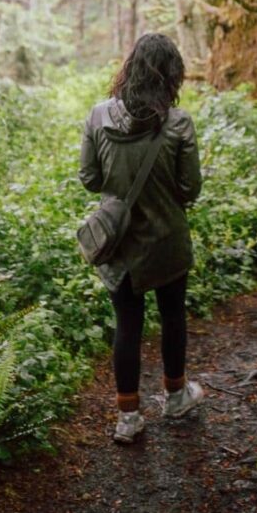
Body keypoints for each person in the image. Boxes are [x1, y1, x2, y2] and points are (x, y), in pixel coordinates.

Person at [78, 32, 205, 444]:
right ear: (173, 75)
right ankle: (175, 395)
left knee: (127, 325)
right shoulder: (179, 122)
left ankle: (128, 417)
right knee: (172, 316)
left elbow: (90, 179)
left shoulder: (98, 116)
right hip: (167, 240)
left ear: (129, 67)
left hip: (120, 246)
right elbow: (191, 189)